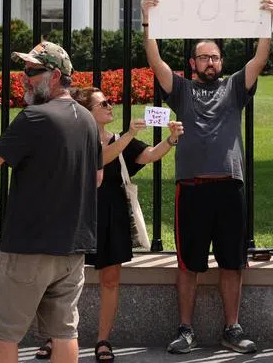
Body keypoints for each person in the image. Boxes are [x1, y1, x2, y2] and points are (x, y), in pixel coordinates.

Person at [140, 0, 273, 354]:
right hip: (192, 188)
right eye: (205, 57)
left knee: (233, 263)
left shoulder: (234, 87)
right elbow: (155, 62)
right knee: (189, 265)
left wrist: (268, 22)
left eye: (215, 57)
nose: (211, 62)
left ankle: (232, 328)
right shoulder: (182, 90)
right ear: (193, 62)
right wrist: (147, 21)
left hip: (230, 188)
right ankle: (185, 329)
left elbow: (260, 58)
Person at [0, 42, 101, 363]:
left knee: (5, 331)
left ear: (56, 75)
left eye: (32, 71)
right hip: (72, 247)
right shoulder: (87, 119)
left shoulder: (34, 117)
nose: (24, 78)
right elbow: (97, 178)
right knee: (64, 332)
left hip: (28, 247)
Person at [69, 85, 183, 363]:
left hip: (111, 215)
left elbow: (150, 155)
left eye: (110, 102)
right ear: (87, 112)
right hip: (78, 216)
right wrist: (130, 134)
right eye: (103, 103)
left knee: (110, 280)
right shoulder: (75, 140)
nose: (110, 106)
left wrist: (171, 139)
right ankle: (57, 337)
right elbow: (99, 158)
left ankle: (103, 340)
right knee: (66, 280)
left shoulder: (120, 139)